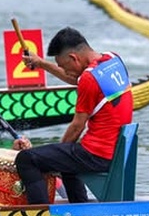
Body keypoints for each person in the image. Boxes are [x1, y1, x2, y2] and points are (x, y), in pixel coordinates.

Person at [14, 27, 133, 204]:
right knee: (67, 157)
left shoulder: (88, 79)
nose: (65, 71)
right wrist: (41, 63)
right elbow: (77, 77)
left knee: (26, 159)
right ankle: (79, 206)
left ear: (73, 58)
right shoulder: (112, 59)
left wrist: (54, 158)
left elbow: (77, 126)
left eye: (64, 66)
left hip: (98, 156)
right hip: (116, 150)